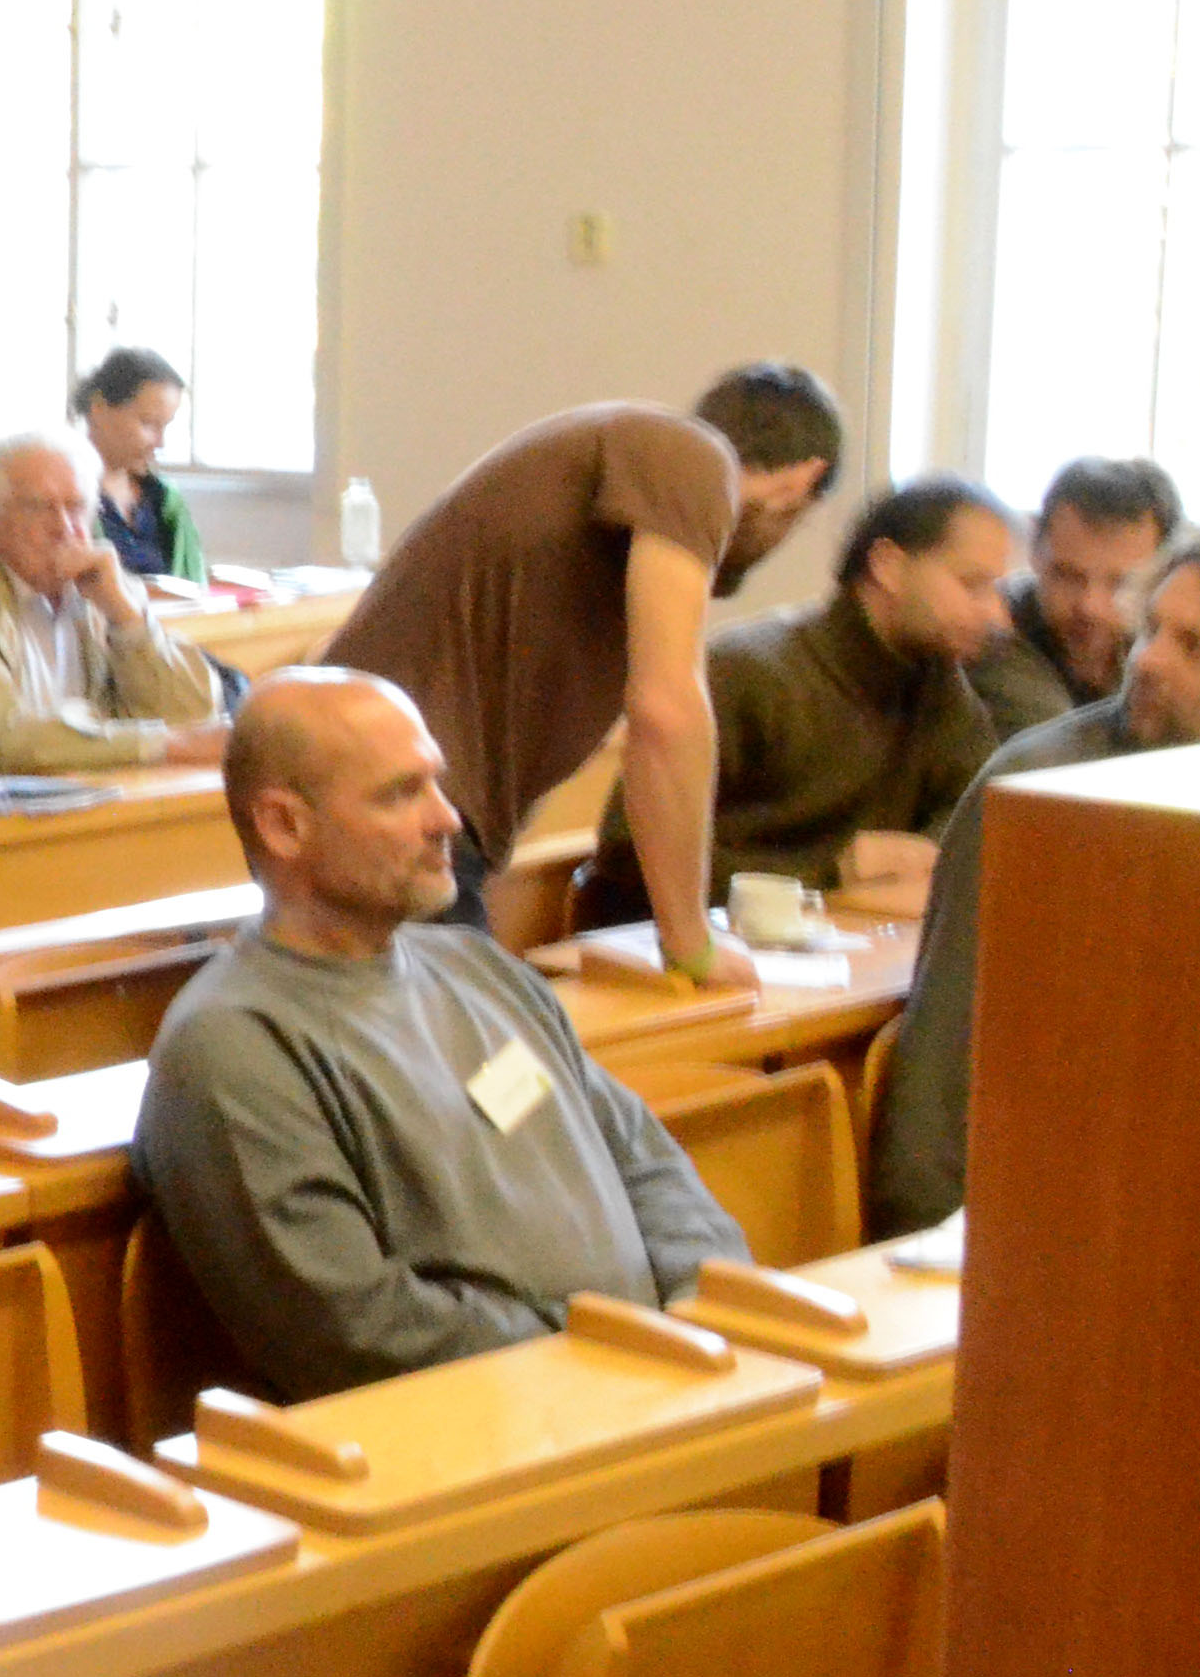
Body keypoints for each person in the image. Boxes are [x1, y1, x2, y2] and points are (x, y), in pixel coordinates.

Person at [130, 670, 748, 1399]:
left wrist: (702, 1302)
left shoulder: (478, 969)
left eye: (437, 782)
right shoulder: (232, 1048)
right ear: (283, 826)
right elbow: (352, 1330)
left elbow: (645, 1162)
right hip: (481, 1441)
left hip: (642, 1387)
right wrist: (597, 1359)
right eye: (401, 793)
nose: (447, 819)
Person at [316, 366, 846, 956]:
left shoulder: (642, 468)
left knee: (489, 1040)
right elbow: (667, 712)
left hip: (396, 813)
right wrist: (693, 944)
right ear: (803, 481)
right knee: (493, 1050)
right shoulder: (693, 458)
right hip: (395, 816)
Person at [868, 533, 1200, 1236]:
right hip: (1047, 1216)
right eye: (1152, 629)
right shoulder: (1036, 791)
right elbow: (945, 1064)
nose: (1148, 660)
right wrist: (932, 1243)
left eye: (1198, 648)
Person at [582, 473, 1012, 922]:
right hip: (686, 958)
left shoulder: (934, 677)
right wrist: (831, 872)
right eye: (971, 584)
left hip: (837, 952)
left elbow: (980, 807)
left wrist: (927, 849)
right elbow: (627, 853)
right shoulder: (748, 672)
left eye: (996, 589)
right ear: (888, 566)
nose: (995, 613)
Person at [0, 433, 230, 772]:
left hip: (109, 792)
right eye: (39, 507)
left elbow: (194, 714)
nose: (64, 527)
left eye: (77, 506)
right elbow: (2, 741)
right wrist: (163, 744)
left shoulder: (107, 586)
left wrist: (127, 617)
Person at [972, 456, 1182, 738]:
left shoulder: (1168, 649)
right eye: (1068, 576)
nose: (1089, 606)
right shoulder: (987, 633)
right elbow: (1058, 762)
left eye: (1122, 583)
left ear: (1166, 579)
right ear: (1035, 551)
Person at [73, 348, 207, 581]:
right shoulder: (61, 499)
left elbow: (195, 589)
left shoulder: (164, 501)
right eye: (148, 424)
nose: (160, 442)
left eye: (165, 426)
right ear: (99, 408)